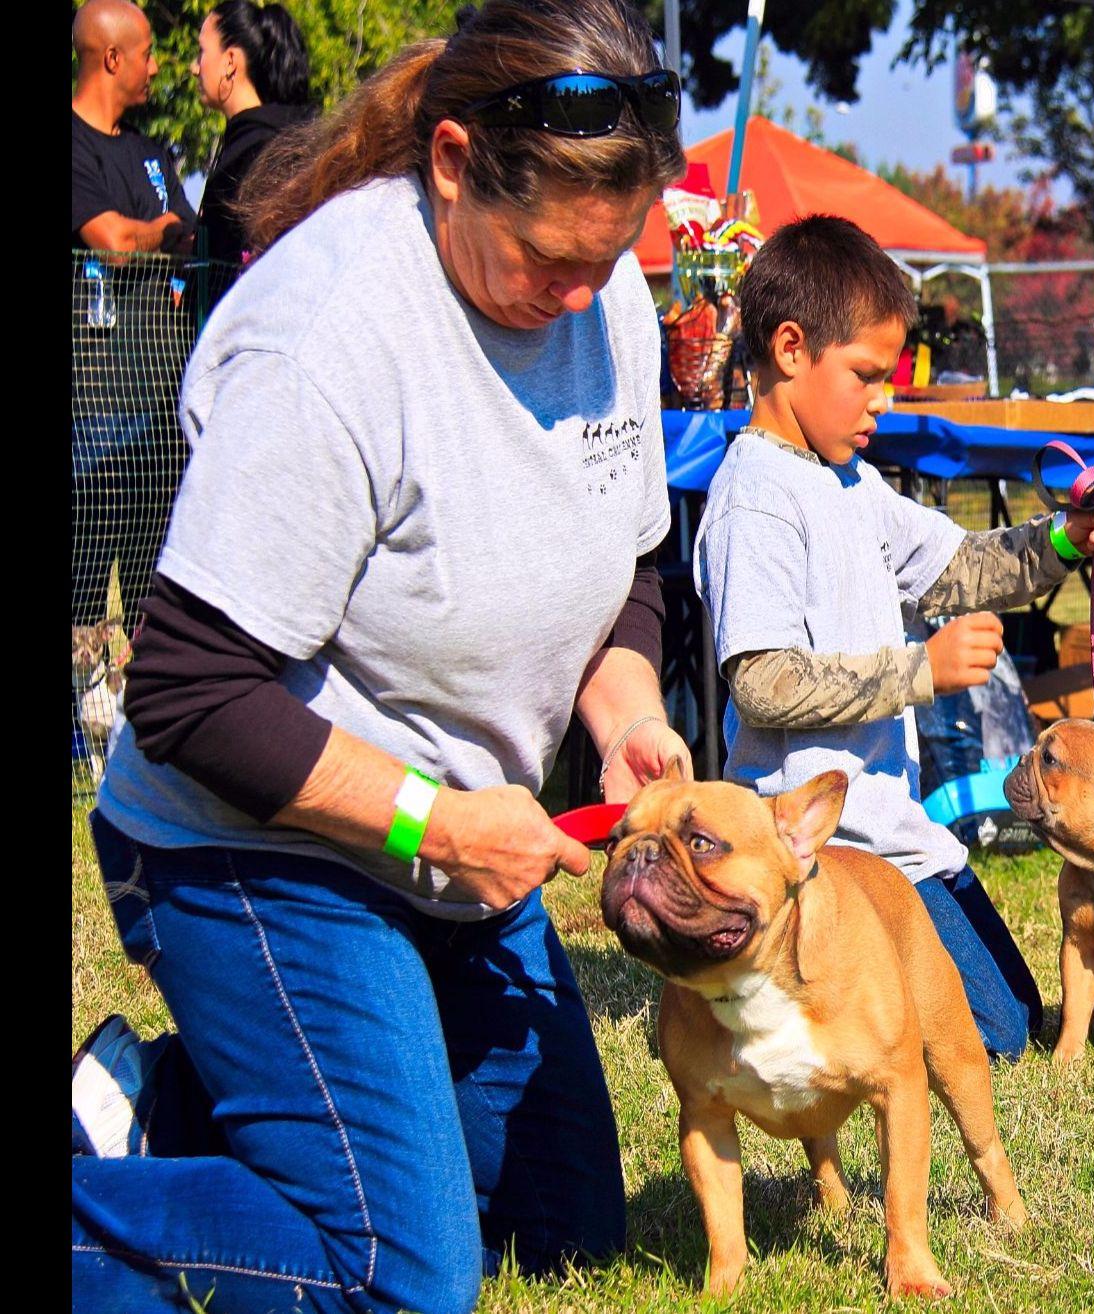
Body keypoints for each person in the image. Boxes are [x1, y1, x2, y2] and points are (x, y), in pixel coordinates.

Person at [70, 2, 690, 1311]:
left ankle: (166, 1104)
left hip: (454, 857)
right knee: (397, 1277)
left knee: (565, 1235)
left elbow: (629, 564)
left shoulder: (607, 293)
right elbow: (187, 691)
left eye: (608, 253)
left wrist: (626, 705)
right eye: (546, 258)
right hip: (256, 844)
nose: (581, 297)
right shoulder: (328, 335)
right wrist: (440, 823)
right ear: (453, 162)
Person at [693, 215, 1094, 1061]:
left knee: (1015, 1014)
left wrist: (1064, 541)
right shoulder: (755, 500)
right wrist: (920, 671)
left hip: (895, 836)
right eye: (865, 376)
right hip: (819, 849)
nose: (882, 401)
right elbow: (763, 683)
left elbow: (958, 568)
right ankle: (785, 976)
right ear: (790, 349)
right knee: (992, 1037)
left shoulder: (851, 482)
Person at [71, 0, 199, 632]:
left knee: (155, 603)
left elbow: (192, 237)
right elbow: (113, 243)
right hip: (91, 414)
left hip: (161, 407)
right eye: (147, 54)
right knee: (83, 601)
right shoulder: (74, 146)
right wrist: (162, 231)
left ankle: (134, 692)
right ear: (112, 58)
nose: (156, 67)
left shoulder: (152, 152)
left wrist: (167, 234)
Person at [191, 0, 314, 268]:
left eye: (201, 52)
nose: (194, 67)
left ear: (230, 62)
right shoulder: (271, 138)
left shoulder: (259, 152)